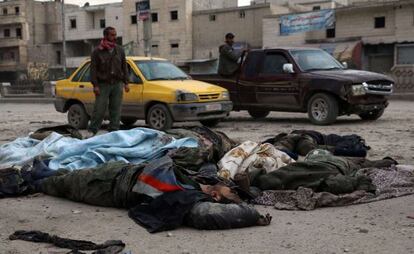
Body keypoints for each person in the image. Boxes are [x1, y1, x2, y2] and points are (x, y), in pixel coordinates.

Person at [37, 156, 272, 233]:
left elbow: (209, 215)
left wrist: (252, 215)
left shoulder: (192, 201)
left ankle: (28, 177)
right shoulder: (203, 181)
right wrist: (246, 188)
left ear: (218, 197)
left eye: (229, 190)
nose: (227, 185)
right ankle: (40, 171)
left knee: (51, 183)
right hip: (121, 169)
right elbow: (210, 166)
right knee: (63, 174)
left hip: (106, 186)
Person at [86, 26, 130, 138]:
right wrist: (95, 85)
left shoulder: (119, 50)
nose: (114, 37)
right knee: (99, 108)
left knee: (116, 108)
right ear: (105, 36)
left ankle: (113, 131)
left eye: (115, 35)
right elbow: (93, 69)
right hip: (103, 84)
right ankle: (92, 131)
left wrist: (126, 82)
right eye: (112, 35)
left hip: (117, 83)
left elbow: (124, 66)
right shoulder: (97, 51)